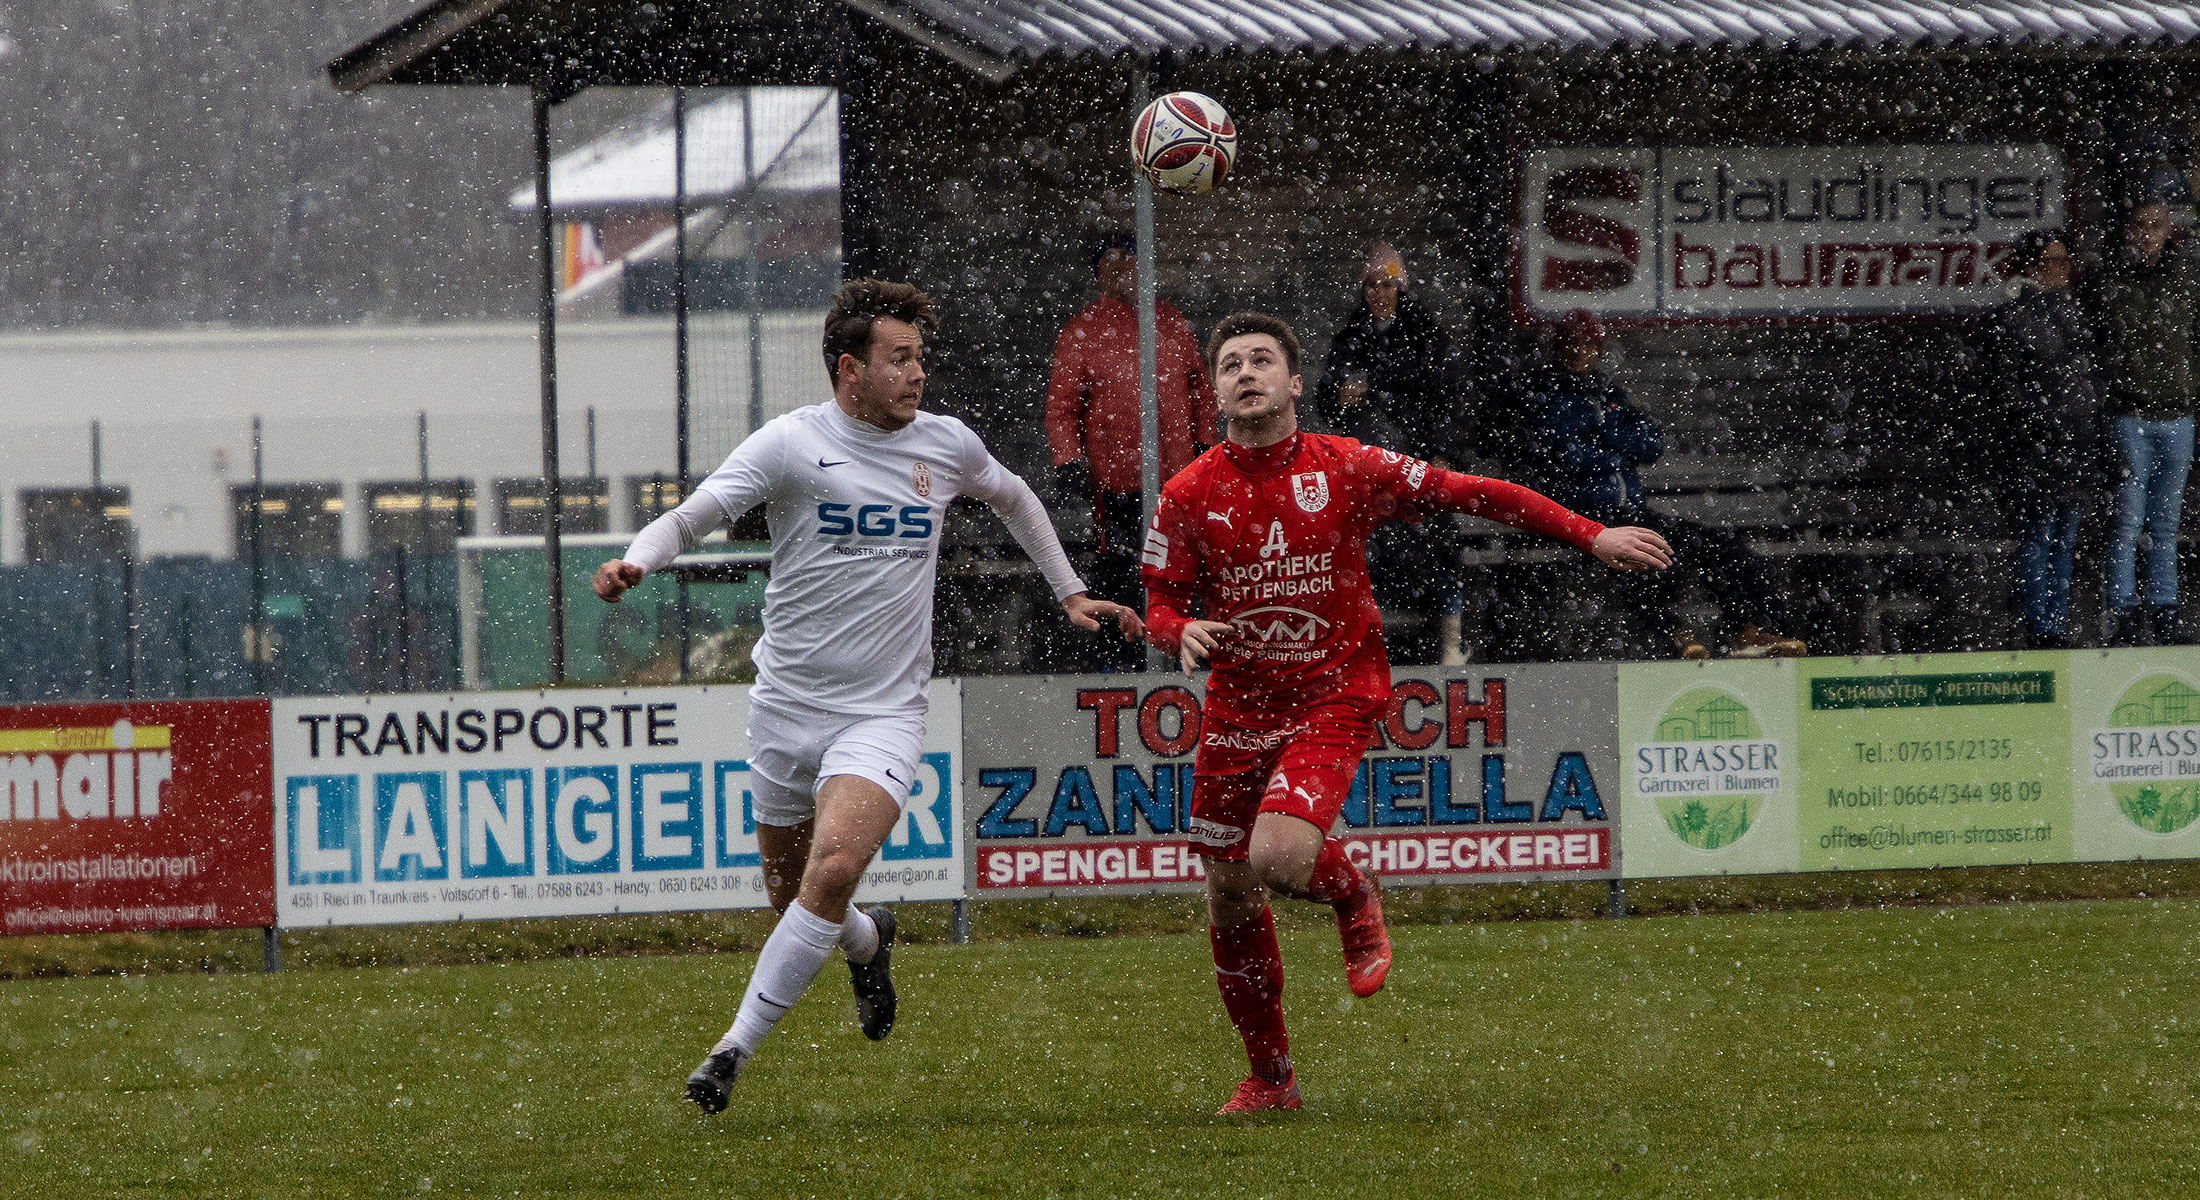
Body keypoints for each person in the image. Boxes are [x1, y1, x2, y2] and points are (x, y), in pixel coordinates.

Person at [594, 279, 1143, 1115]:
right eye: (899, 359)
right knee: (799, 902)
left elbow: (1015, 496)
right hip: (784, 706)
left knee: (837, 865)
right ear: (848, 370)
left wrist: (1068, 590)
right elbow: (691, 518)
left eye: (920, 357)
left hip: (882, 712)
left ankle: (730, 1049)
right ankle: (868, 939)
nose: (917, 374)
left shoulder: (946, 446)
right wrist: (638, 559)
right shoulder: (789, 445)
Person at [1140, 311, 1670, 1113]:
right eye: (1230, 365)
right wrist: (1181, 631)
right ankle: (1271, 1079)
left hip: (1332, 693)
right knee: (1228, 892)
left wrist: (1589, 535)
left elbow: (1474, 492)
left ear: (1294, 382)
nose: (1245, 372)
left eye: (1261, 360)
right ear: (1214, 390)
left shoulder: (1346, 466)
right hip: (1238, 708)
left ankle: (1353, 895)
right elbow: (1159, 602)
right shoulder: (1188, 493)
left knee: (1277, 859)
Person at [1522, 312, 1806, 660]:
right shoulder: (1543, 394)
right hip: (1578, 516)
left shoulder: (1607, 392)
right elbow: (1565, 456)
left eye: (1587, 344)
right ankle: (1676, 633)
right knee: (1637, 557)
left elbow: (1651, 442)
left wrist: (1604, 437)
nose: (1578, 352)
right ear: (1557, 348)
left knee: (1723, 548)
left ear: (1598, 349)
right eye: (1571, 344)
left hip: (1629, 511)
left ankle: (1749, 629)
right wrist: (1615, 448)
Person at [1045, 232, 1217, 669]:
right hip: (1118, 483)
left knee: (1183, 567)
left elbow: (1200, 386)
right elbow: (1062, 403)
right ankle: (1121, 663)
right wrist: (1068, 460)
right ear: (1098, 271)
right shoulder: (1083, 329)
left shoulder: (1170, 322)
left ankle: (1190, 655)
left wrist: (1204, 440)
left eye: (1131, 258)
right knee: (1123, 572)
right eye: (1112, 259)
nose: (1123, 266)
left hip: (1177, 477)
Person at [1312, 244, 1469, 664]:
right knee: (1367, 551)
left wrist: (1443, 451)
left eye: (1387, 285)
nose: (1379, 294)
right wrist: (1342, 396)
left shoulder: (1427, 335)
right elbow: (1325, 398)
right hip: (1368, 464)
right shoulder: (1350, 337)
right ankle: (1365, 644)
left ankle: (1451, 640)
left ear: (1401, 288)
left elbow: (1449, 399)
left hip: (1416, 455)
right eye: (1371, 286)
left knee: (1433, 547)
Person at [2090, 198, 2200, 646]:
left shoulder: (2187, 280)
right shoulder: (2109, 280)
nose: (2146, 234)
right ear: (2125, 230)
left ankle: (2164, 606)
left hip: (2178, 412)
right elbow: (2096, 343)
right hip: (2129, 412)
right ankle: (2122, 609)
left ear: (2168, 231)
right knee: (2128, 520)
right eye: (2139, 225)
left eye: (2155, 226)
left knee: (2165, 523)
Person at [1989, 230, 2104, 649]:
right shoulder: (2015, 315)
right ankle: (2038, 624)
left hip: (2075, 443)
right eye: (2053, 262)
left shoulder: (2073, 311)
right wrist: (2043, 425)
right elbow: (2009, 390)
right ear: (2033, 267)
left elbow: (2088, 378)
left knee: (2065, 536)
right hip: (2039, 446)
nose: (2062, 270)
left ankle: (2054, 622)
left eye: (2063, 261)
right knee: (2039, 535)